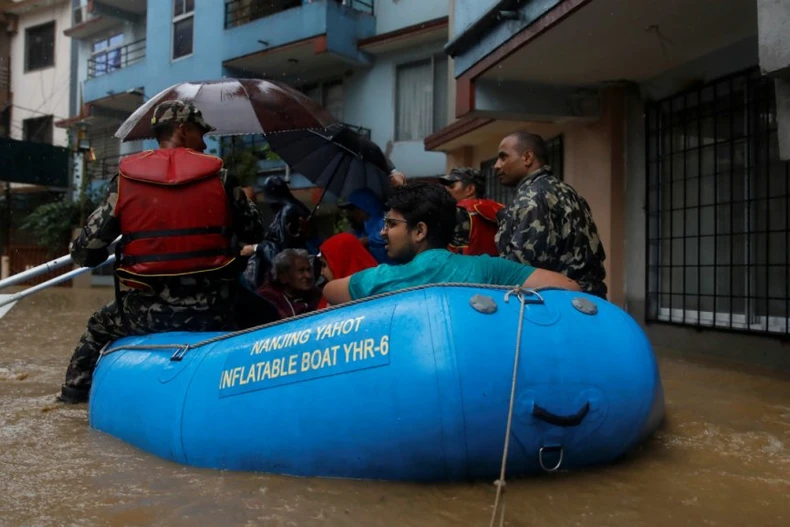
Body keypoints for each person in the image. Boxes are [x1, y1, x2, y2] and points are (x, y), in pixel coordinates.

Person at [58, 100, 265, 404]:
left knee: (97, 327)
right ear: (182, 130)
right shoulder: (222, 178)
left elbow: (85, 253)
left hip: (146, 314)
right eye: (199, 133)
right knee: (267, 315)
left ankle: (72, 398)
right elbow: (254, 233)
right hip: (217, 311)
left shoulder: (125, 181)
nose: (205, 143)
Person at [322, 183, 580, 304]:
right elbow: (568, 286)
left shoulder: (384, 279)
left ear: (420, 231)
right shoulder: (487, 270)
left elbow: (330, 291)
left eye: (391, 224)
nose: (382, 232)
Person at [494, 131, 608, 299]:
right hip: (588, 304)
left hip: (554, 306)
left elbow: (520, 273)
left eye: (503, 157)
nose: (496, 165)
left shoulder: (531, 198)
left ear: (527, 158)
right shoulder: (565, 191)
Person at [437, 167, 504, 256]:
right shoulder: (498, 208)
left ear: (470, 189)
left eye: (451, 186)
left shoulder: (458, 210)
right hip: (494, 266)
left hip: (464, 266)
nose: (446, 190)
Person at [315, 233, 378, 309]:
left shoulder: (376, 290)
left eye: (324, 265)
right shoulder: (332, 296)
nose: (321, 272)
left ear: (339, 263)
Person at [256, 249, 320, 319]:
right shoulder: (267, 298)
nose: (308, 276)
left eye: (309, 270)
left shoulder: (315, 292)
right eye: (301, 271)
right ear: (283, 276)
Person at [337, 188, 394, 264]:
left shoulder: (384, 222)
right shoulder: (361, 229)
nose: (348, 214)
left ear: (363, 208)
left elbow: (391, 235)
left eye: (351, 209)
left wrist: (367, 240)